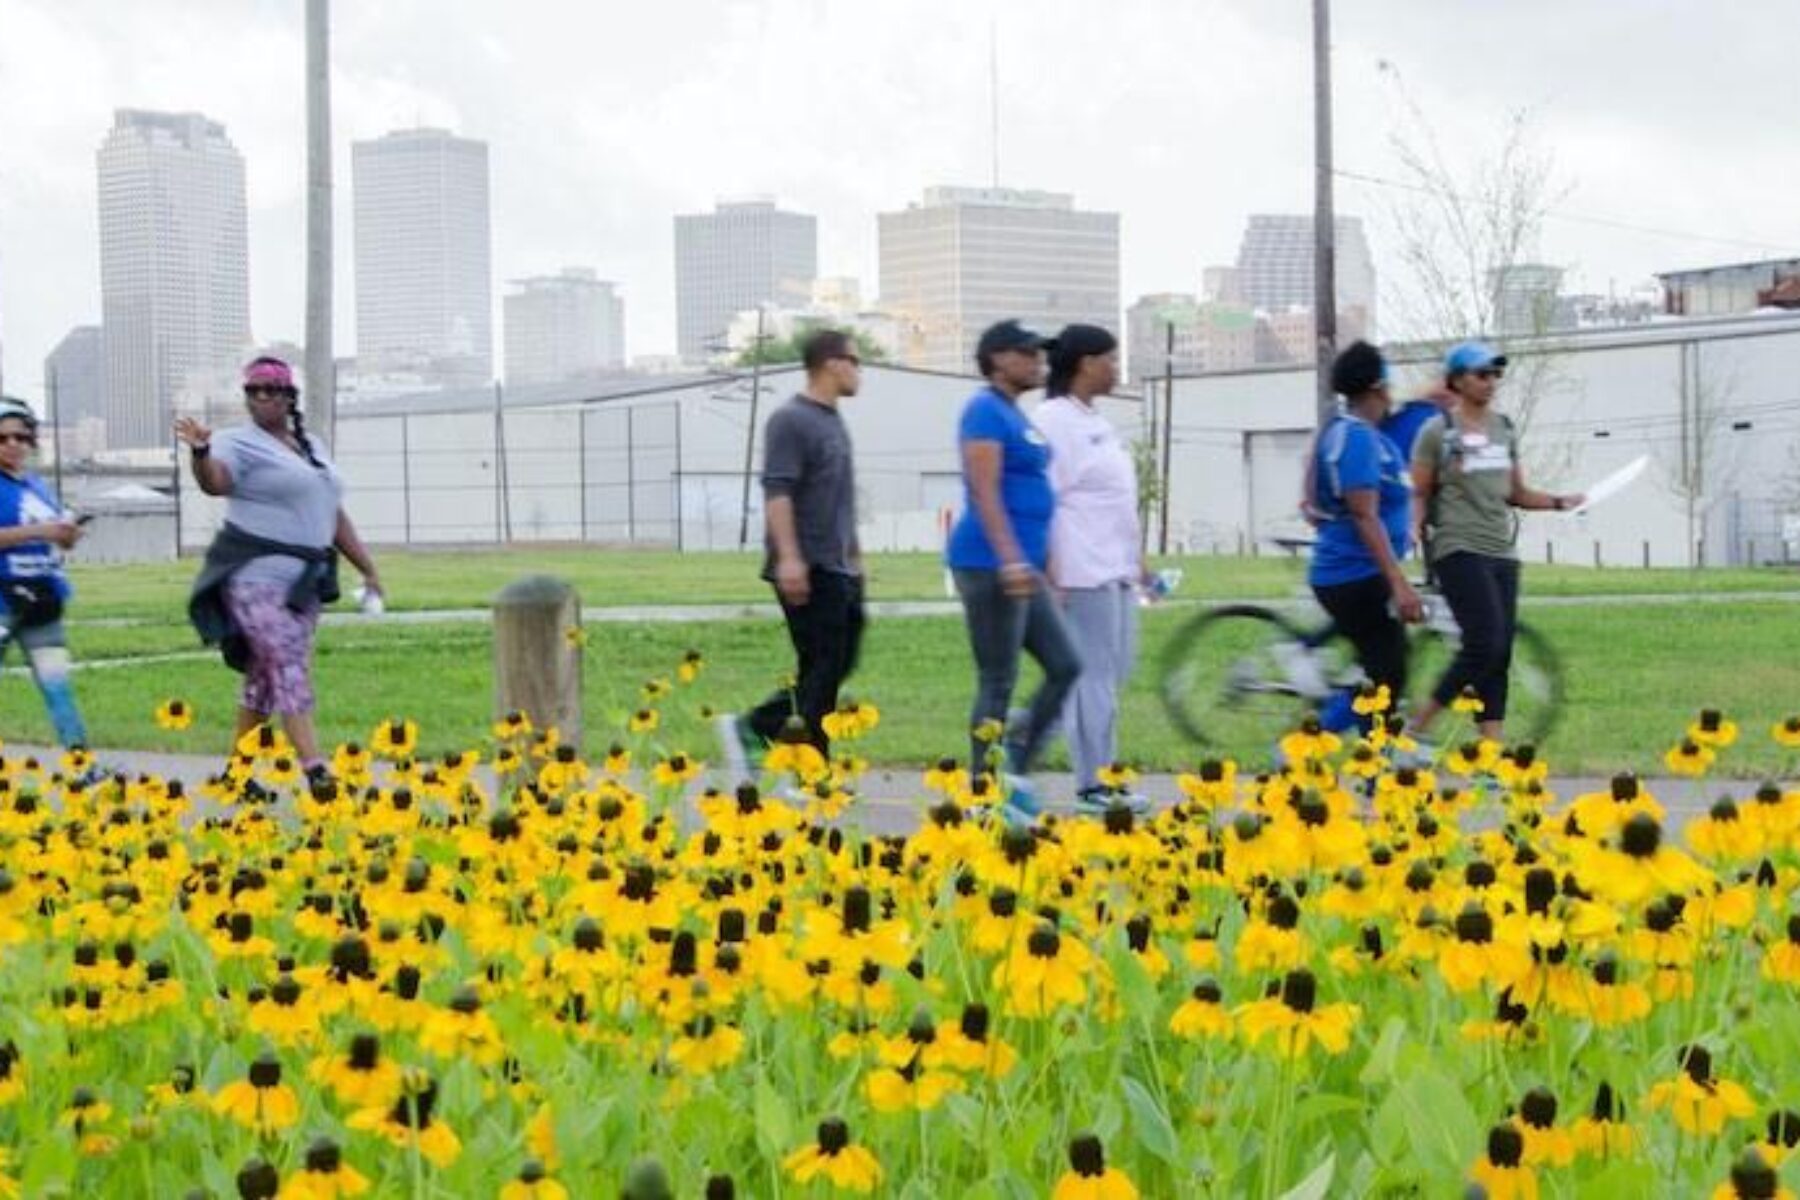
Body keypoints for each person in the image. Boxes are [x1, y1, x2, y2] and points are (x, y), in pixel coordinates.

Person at [178, 357, 382, 779]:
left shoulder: (313, 448)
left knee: (264, 678)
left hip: (303, 583)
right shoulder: (237, 442)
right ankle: (316, 771)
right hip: (254, 578)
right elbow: (215, 481)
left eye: (272, 389)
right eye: (254, 390)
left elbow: (332, 515)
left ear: (290, 397)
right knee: (288, 664)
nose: (262, 397)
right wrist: (200, 452)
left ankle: (236, 777)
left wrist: (367, 568)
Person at [1409, 341, 1581, 742]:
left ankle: (1490, 754)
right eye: (1482, 374)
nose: (1491, 382)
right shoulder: (1437, 433)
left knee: (1499, 652)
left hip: (1501, 551)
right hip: (1457, 549)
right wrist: (1414, 527)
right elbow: (1418, 492)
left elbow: (1516, 493)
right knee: (1482, 643)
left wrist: (1559, 501)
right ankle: (1419, 724)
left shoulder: (1503, 428)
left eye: (1495, 375)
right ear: (1457, 380)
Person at [947, 319, 1082, 824]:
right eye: (1028, 353)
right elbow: (984, 491)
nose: (1038, 361)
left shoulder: (1014, 414)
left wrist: (1042, 564)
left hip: (1023, 566)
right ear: (998, 358)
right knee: (998, 679)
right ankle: (986, 794)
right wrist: (1008, 557)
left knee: (1067, 665)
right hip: (989, 563)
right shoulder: (983, 411)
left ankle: (1014, 769)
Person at [716, 329, 865, 777]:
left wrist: (855, 558)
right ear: (832, 363)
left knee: (836, 664)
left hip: (838, 566)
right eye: (856, 362)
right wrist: (789, 558)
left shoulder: (832, 419)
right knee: (821, 669)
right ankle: (804, 765)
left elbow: (838, 498)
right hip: (807, 565)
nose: (860, 372)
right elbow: (777, 491)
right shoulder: (790, 420)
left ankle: (759, 729)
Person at [1034, 324, 1149, 815]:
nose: (1117, 368)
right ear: (1085, 363)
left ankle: (1030, 741)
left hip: (1115, 568)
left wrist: (1138, 559)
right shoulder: (1054, 420)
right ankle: (1092, 785)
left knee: (1113, 671)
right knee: (1093, 679)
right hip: (1081, 570)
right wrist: (1052, 571)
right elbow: (1045, 500)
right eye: (1110, 359)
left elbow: (1114, 498)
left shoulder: (1091, 419)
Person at [1306, 343, 1424, 730]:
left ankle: (1373, 767)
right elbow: (1363, 513)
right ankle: (1306, 747)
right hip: (1354, 576)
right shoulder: (1355, 438)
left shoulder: (1366, 434)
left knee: (1384, 669)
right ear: (1378, 386)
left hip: (1357, 573)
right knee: (1386, 673)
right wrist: (1399, 583)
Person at [0, 396, 90, 752]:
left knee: (57, 687)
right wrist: (42, 532)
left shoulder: (37, 485)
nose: (12, 444)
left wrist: (67, 535)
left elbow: (57, 538)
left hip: (42, 600)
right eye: (2, 437)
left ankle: (81, 764)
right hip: (2, 599)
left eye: (21, 437)